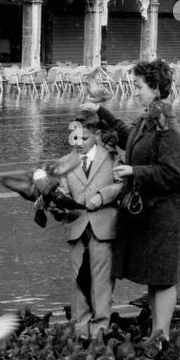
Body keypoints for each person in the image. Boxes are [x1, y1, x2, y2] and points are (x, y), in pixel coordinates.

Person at [95, 60, 180, 343]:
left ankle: (162, 335)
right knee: (154, 276)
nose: (135, 92)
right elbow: (128, 137)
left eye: (139, 87)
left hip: (163, 216)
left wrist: (135, 171)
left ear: (156, 89)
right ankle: (156, 336)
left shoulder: (167, 127)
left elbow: (173, 174)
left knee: (162, 278)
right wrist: (100, 112)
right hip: (148, 214)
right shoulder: (149, 118)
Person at [59, 110, 126, 340]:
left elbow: (121, 184)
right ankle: (80, 331)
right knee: (78, 279)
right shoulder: (64, 163)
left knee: (101, 281)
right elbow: (62, 192)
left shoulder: (111, 156)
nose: (79, 143)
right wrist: (58, 203)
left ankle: (100, 331)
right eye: (75, 138)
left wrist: (102, 195)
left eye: (85, 139)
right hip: (77, 227)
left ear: (97, 135)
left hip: (103, 227)